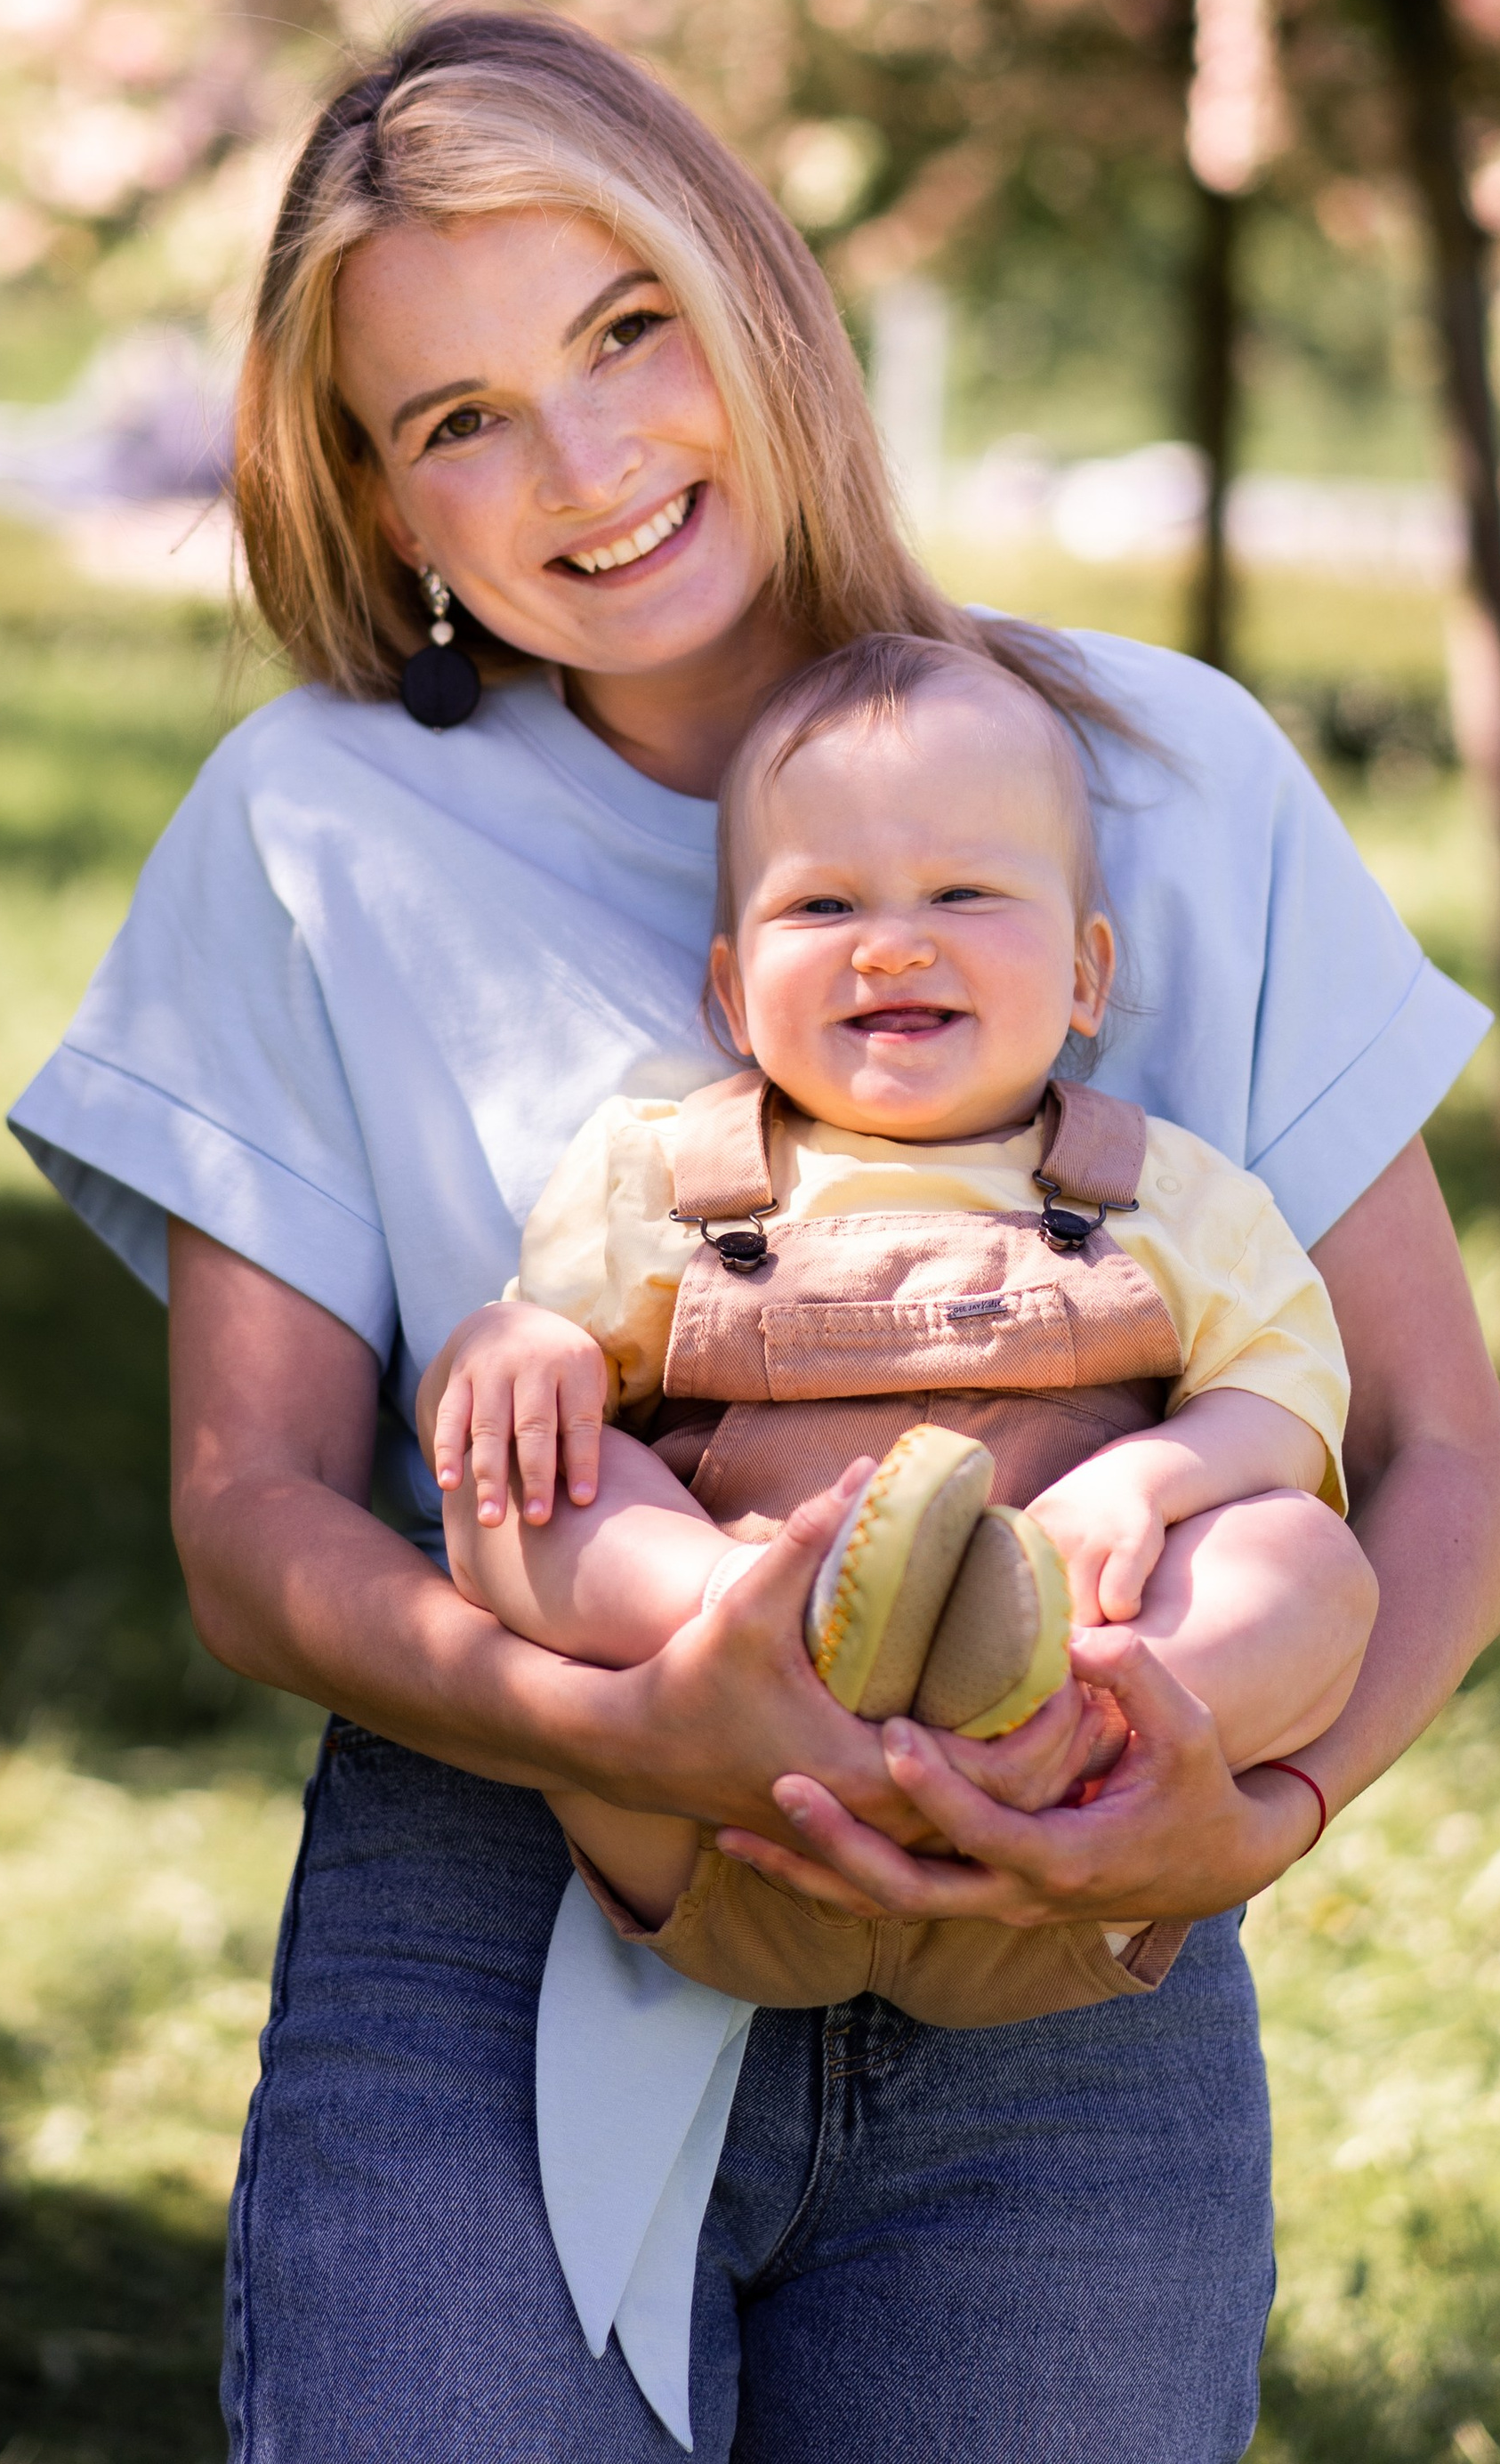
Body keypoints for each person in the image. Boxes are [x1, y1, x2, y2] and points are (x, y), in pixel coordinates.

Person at [9, 1, 1500, 2464]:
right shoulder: (314, 834)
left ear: (754, 302)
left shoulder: (1171, 783)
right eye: (460, 419)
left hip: (1073, 1945)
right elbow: (252, 1522)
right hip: (508, 1896)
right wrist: (629, 1711)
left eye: (626, 333)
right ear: (383, 505)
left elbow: (1447, 1459)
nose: (587, 463)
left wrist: (1253, 1803)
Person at [423, 628, 1377, 2028]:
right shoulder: (664, 1177)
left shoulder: (1167, 1192)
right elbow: (544, 1369)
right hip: (724, 1792)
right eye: (820, 908)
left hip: (1059, 1818)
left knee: (1309, 1560)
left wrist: (1147, 1481)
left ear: (1086, 978)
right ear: (734, 993)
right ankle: (768, 1624)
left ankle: (1043, 1701)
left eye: (965, 891)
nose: (893, 942)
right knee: (516, 1482)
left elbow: (1291, 1401)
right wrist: (508, 1351)